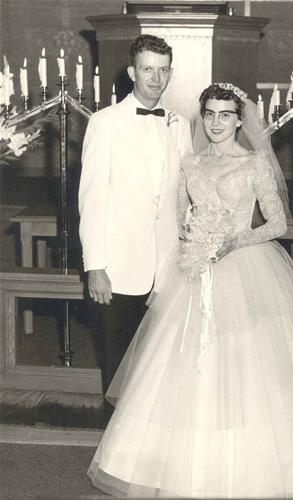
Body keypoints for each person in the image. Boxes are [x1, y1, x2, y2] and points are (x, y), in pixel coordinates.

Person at [87, 83, 293, 498]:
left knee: (249, 371)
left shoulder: (254, 162)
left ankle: (253, 468)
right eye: (209, 113)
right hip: (195, 273)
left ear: (240, 120)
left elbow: (277, 224)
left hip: (245, 267)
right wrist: (195, 240)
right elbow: (178, 219)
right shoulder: (190, 164)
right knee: (185, 369)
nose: (216, 122)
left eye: (225, 115)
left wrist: (233, 241)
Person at [78, 35, 192, 418]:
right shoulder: (104, 123)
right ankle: (116, 443)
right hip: (119, 268)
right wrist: (96, 266)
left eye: (163, 70)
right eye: (147, 69)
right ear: (132, 72)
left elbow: (186, 195)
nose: (155, 78)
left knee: (160, 367)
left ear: (171, 73)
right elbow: (92, 199)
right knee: (118, 367)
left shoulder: (180, 125)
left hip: (168, 269)